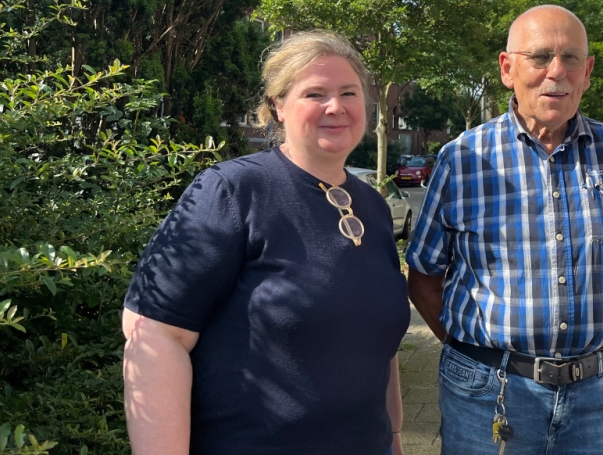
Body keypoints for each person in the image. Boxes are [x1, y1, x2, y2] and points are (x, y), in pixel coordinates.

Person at [122, 31, 410, 455]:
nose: (336, 107)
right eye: (315, 93)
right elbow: (153, 334)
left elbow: (378, 345)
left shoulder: (374, 205)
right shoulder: (232, 191)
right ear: (278, 105)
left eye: (349, 92)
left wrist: (396, 436)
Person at [406, 5, 603, 455]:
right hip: (487, 397)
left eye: (571, 59)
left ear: (588, 73)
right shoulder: (462, 159)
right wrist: (477, 357)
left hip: (602, 395)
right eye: (540, 57)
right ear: (508, 69)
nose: (556, 72)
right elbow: (424, 278)